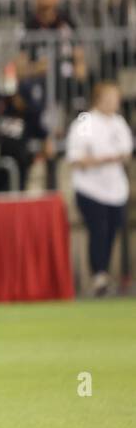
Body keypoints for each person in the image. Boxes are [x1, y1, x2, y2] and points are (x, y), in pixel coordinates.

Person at [65, 82, 133, 296]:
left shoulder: (119, 122)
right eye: (109, 97)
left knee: (112, 229)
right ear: (98, 98)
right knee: (98, 229)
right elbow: (76, 155)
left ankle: (106, 273)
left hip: (115, 189)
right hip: (90, 188)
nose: (114, 102)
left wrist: (115, 157)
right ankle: (99, 275)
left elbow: (126, 151)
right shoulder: (86, 120)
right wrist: (100, 160)